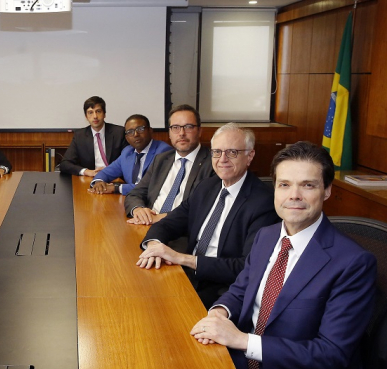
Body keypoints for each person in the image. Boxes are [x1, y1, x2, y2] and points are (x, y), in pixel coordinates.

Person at [190, 142, 376, 369]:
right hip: (248, 360)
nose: (294, 196)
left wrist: (242, 340)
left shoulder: (353, 262)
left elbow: (331, 354)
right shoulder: (267, 236)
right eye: (285, 184)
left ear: (327, 191)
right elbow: (241, 288)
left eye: (308, 185)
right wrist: (220, 312)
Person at [137, 123, 279, 308]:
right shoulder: (207, 186)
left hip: (224, 290)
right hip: (186, 275)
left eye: (232, 152)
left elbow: (246, 267)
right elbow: (169, 223)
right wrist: (154, 246)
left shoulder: (264, 202)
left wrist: (181, 258)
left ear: (249, 156)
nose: (222, 159)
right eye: (217, 152)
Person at [125, 104, 214, 225]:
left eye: (188, 127)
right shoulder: (161, 160)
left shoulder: (213, 163)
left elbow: (203, 209)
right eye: (175, 127)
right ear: (170, 133)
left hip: (179, 232)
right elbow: (135, 193)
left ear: (199, 131)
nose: (181, 133)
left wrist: (162, 218)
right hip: (146, 224)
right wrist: (138, 209)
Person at [88, 114, 173, 195]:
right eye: (130, 132)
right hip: (132, 200)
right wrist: (99, 182)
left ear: (150, 131)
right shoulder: (127, 152)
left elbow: (152, 186)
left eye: (140, 129)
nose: (135, 134)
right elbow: (106, 172)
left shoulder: (164, 151)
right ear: (127, 138)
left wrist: (117, 188)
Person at [59, 96, 126, 177]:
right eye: (90, 112)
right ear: (86, 117)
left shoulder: (119, 133)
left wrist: (110, 171)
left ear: (104, 114)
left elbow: (127, 161)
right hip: (91, 178)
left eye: (98, 111)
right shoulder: (80, 136)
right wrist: (86, 171)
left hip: (114, 177)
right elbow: (64, 164)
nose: (95, 116)